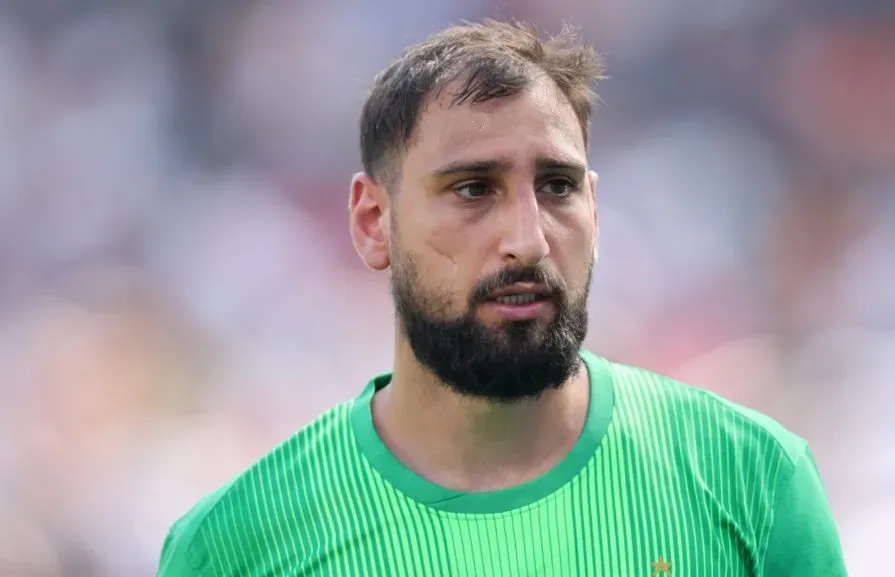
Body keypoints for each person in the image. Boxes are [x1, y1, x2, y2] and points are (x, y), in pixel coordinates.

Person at [157, 19, 847, 577]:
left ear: (596, 213)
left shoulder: (752, 481)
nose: (528, 240)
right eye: (473, 188)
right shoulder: (236, 544)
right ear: (374, 223)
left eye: (557, 187)